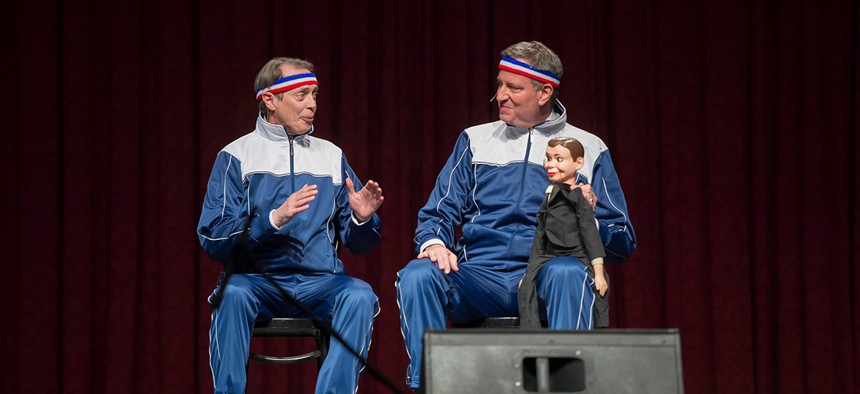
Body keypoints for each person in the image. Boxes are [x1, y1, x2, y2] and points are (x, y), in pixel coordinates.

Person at [395, 41, 636, 390]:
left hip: (547, 275)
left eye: (513, 87)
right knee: (418, 274)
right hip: (481, 276)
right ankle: (427, 384)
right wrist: (434, 243)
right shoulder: (474, 140)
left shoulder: (589, 147)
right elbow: (438, 211)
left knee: (569, 272)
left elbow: (622, 241)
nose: (500, 96)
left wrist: (589, 219)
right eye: (499, 84)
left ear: (544, 93)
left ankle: (566, 386)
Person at [197, 57, 384, 394]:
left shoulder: (331, 155)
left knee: (359, 296)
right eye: (301, 95)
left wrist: (361, 217)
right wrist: (272, 220)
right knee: (231, 295)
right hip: (257, 282)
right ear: (270, 99)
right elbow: (213, 235)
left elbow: (359, 242)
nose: (312, 104)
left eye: (314, 94)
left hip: (319, 283)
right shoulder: (236, 156)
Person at [518, 137, 609, 330]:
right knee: (526, 291)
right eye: (548, 158)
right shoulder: (550, 194)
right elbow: (540, 235)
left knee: (568, 275)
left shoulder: (579, 197)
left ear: (578, 163)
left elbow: (590, 235)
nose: (550, 165)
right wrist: (529, 273)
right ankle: (531, 341)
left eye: (559, 159)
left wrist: (599, 274)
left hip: (577, 257)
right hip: (549, 256)